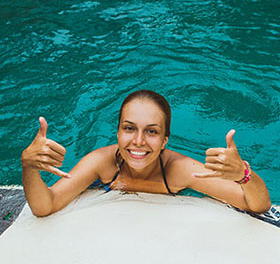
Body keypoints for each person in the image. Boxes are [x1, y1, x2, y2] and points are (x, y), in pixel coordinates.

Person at [21, 90, 271, 217]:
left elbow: (257, 205)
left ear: (165, 141)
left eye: (151, 132)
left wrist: (242, 174)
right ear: (117, 133)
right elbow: (46, 206)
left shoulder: (180, 171)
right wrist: (30, 167)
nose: (138, 142)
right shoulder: (101, 163)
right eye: (129, 129)